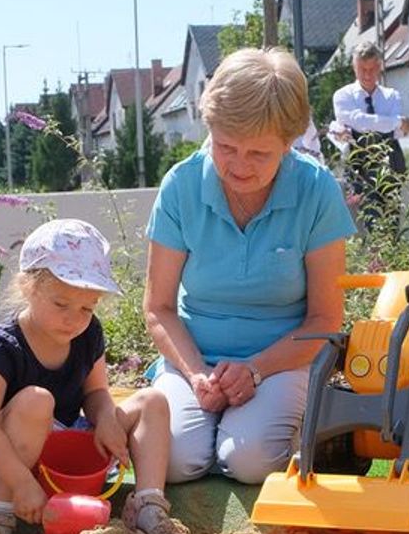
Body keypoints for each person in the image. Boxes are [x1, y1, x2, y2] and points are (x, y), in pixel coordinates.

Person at [144, 47, 356, 484]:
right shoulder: (181, 186)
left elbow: (325, 320)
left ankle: (290, 424)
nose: (239, 166)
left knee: (249, 461)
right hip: (194, 358)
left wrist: (256, 369)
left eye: (258, 153)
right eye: (226, 147)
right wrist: (197, 373)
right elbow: (159, 307)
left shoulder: (317, 191)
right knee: (173, 460)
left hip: (283, 360)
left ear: (289, 141)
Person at [0, 219, 192, 534]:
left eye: (86, 308)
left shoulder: (87, 333)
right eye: (61, 304)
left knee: (152, 400)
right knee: (37, 401)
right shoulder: (2, 346)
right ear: (28, 287)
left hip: (64, 447)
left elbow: (95, 393)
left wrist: (107, 416)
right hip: (6, 462)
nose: (74, 319)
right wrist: (21, 482)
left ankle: (148, 504)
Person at [331, 41, 409, 226]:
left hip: (390, 160)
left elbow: (392, 131)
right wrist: (397, 121)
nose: (367, 75)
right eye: (362, 69)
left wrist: (389, 125)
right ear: (354, 67)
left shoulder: (392, 95)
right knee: (369, 219)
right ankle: (375, 255)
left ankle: (392, 254)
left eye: (372, 69)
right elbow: (358, 121)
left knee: (392, 219)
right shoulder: (342, 95)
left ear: (379, 67)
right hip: (360, 163)